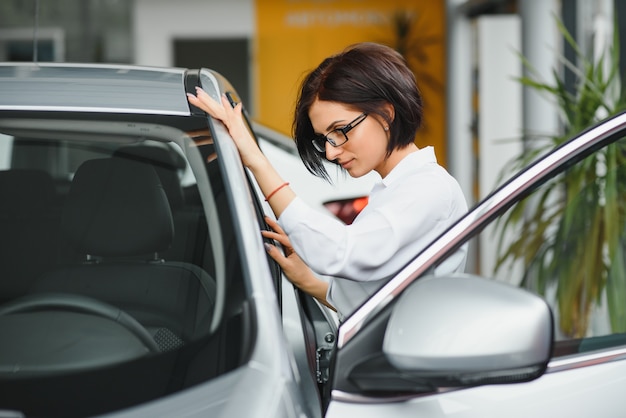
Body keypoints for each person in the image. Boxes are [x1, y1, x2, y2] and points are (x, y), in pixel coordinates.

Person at [187, 42, 468, 320]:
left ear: (386, 113)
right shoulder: (395, 189)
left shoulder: (430, 190)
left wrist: (256, 161)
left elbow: (344, 251)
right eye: (325, 139)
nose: (331, 151)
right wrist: (312, 283)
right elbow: (378, 304)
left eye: (340, 130)